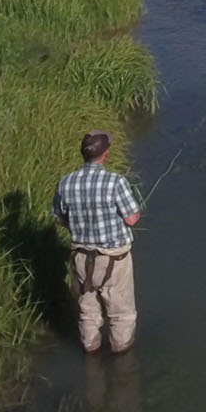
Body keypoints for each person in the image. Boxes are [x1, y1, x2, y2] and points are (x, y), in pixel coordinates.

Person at [53, 130, 142, 355]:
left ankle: (91, 353)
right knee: (121, 313)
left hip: (81, 256)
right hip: (114, 258)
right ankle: (121, 358)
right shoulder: (116, 182)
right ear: (105, 154)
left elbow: (59, 218)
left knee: (88, 311)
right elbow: (131, 218)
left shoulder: (66, 182)